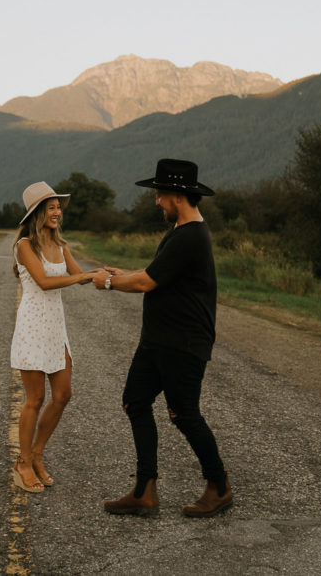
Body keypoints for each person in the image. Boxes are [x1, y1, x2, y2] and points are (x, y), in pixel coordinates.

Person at [92, 158, 232, 518]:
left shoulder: (192, 236)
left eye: (159, 195)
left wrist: (109, 282)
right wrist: (124, 272)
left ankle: (219, 487)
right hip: (157, 340)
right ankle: (144, 490)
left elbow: (146, 282)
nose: (156, 202)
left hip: (183, 343)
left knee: (184, 414)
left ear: (178, 197)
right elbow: (153, 272)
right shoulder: (178, 232)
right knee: (135, 402)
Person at [10, 181, 99, 493]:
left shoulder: (62, 247)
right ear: (37, 213)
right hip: (33, 327)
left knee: (63, 395)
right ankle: (22, 463)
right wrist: (84, 276)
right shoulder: (24, 246)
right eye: (51, 207)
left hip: (56, 328)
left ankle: (36, 454)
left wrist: (106, 274)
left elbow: (82, 277)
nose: (58, 212)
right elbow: (46, 282)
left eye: (59, 207)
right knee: (35, 398)